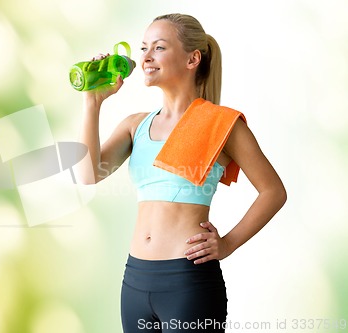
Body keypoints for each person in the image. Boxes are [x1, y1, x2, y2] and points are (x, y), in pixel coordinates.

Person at [77, 13, 287, 333]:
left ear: (192, 59)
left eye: (158, 47)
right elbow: (87, 174)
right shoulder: (136, 125)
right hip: (135, 279)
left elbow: (273, 191)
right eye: (144, 47)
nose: (146, 57)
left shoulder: (221, 124)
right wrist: (92, 103)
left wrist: (227, 244)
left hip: (187, 283)